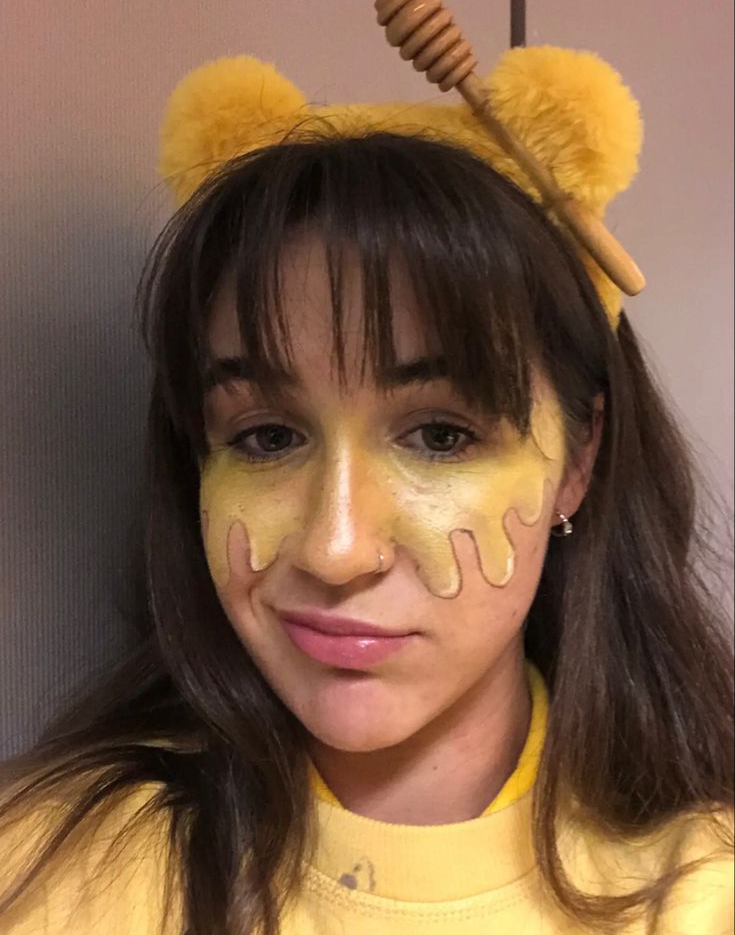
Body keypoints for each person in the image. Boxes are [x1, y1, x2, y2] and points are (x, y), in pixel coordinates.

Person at [0, 49, 732, 935]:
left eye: (439, 435)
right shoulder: (44, 869)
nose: (335, 546)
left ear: (577, 460)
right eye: (267, 437)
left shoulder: (703, 891)